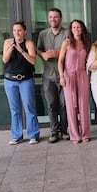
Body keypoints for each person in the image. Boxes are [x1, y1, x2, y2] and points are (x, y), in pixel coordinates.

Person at [2, 21, 40, 145]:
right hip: (10, 80)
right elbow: (5, 59)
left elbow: (33, 61)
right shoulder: (8, 42)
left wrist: (21, 50)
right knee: (15, 109)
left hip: (25, 79)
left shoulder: (29, 43)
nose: (16, 33)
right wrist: (12, 47)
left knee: (29, 107)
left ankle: (33, 135)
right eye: (14, 31)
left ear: (25, 31)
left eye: (19, 30)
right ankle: (17, 136)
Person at [37, 7, 69, 143]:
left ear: (60, 19)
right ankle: (54, 131)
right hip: (48, 75)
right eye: (50, 17)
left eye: (55, 17)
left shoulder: (67, 33)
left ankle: (64, 130)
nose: (53, 19)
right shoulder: (43, 34)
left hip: (64, 74)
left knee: (64, 104)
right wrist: (43, 54)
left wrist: (58, 54)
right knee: (51, 104)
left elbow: (72, 50)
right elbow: (38, 49)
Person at [58, 19, 91, 144]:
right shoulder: (67, 43)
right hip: (68, 75)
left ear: (82, 29)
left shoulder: (86, 44)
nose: (76, 29)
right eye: (74, 27)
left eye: (78, 27)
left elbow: (89, 60)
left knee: (83, 105)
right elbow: (60, 61)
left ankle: (85, 133)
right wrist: (61, 76)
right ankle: (74, 135)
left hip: (82, 74)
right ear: (71, 30)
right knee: (71, 106)